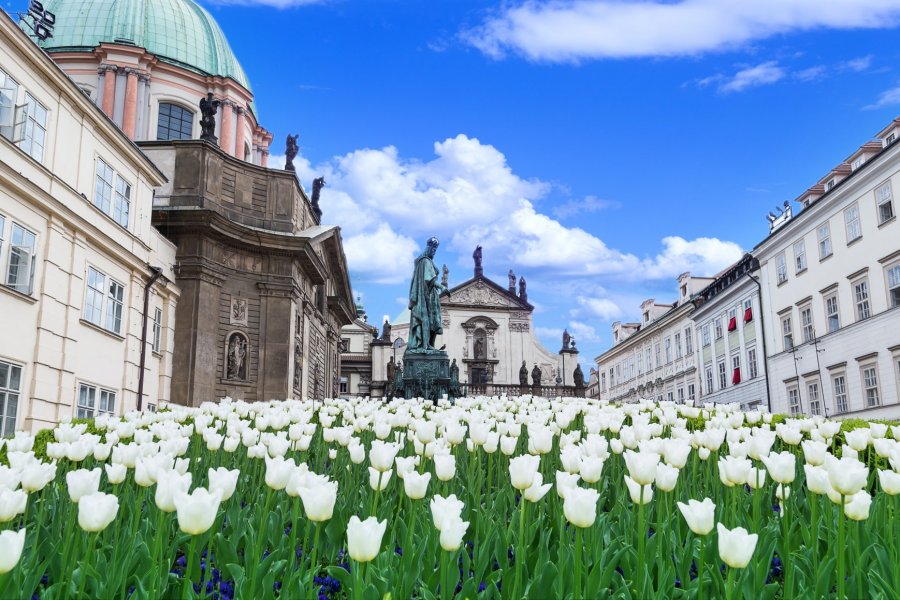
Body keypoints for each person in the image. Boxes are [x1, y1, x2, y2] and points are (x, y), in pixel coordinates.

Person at [407, 237, 446, 351]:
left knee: (433, 321)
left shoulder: (423, 262)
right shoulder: (425, 261)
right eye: (433, 250)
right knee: (427, 320)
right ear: (429, 249)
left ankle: (429, 345)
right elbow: (429, 279)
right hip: (426, 297)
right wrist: (442, 287)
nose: (434, 252)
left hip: (430, 295)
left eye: (435, 250)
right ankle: (425, 345)